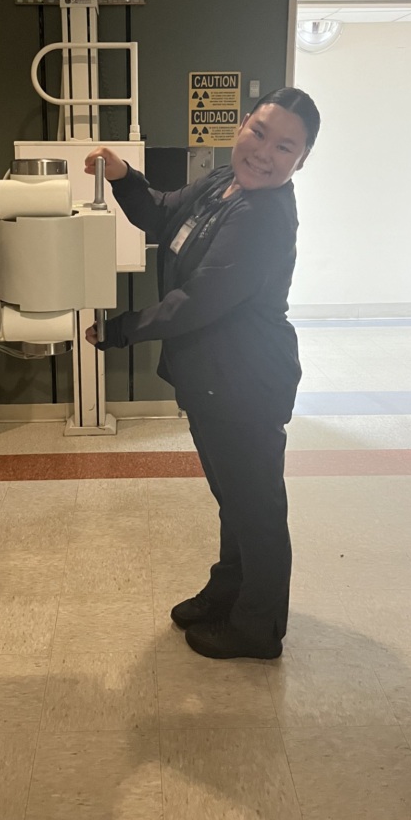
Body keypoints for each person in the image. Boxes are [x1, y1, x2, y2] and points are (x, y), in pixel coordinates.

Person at [84, 87, 320, 660]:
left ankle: (258, 629)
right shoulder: (222, 182)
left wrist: (120, 329)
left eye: (285, 147)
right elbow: (163, 211)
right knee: (234, 498)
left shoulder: (264, 217)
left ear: (301, 161)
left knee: (256, 507)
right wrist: (123, 177)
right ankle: (228, 594)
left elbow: (199, 300)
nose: (265, 152)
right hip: (214, 378)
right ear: (242, 126)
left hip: (247, 382)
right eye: (260, 132)